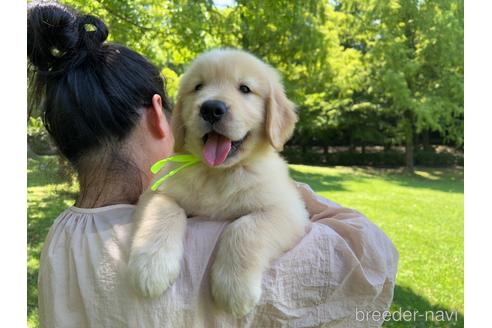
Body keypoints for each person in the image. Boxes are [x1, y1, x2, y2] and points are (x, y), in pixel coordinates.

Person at [28, 3, 399, 327]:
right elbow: (369, 258)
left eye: (245, 89)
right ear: (168, 118)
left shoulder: (59, 240)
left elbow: (281, 213)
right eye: (198, 88)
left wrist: (245, 240)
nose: (214, 104)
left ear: (275, 116)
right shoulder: (179, 198)